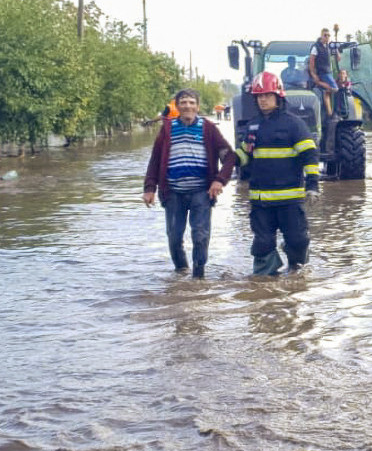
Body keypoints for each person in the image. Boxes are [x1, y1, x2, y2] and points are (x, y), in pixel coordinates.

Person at [143, 89, 236, 278]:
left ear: (198, 107)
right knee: (174, 237)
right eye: (183, 102)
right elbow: (155, 160)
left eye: (192, 102)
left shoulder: (208, 128)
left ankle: (198, 277)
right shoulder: (167, 129)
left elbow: (229, 156)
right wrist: (149, 188)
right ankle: (181, 272)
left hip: (201, 192)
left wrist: (219, 180)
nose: (188, 106)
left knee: (200, 236)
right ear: (177, 107)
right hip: (173, 192)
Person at [235, 71, 320, 276]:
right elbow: (245, 155)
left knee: (298, 241)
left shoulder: (294, 124)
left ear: (278, 96)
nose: (263, 100)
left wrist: (312, 186)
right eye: (259, 96)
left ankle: (296, 272)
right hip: (260, 200)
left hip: (290, 199)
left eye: (267, 95)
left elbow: (310, 155)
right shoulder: (252, 125)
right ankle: (264, 287)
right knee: (262, 244)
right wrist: (230, 158)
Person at [308, 28, 339, 119]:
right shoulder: (316, 47)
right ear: (321, 36)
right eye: (325, 35)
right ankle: (319, 83)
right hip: (322, 72)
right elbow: (311, 62)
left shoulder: (329, 46)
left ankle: (330, 113)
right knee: (335, 88)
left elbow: (337, 57)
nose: (327, 37)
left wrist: (336, 51)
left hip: (328, 71)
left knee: (327, 93)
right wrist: (314, 75)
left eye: (328, 35)